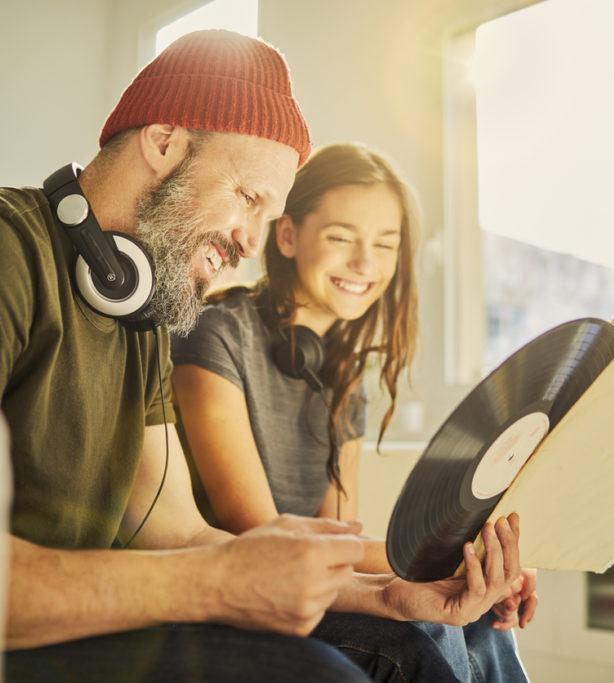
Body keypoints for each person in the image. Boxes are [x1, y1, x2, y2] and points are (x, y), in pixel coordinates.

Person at [0, 30, 524, 682]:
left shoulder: (142, 313)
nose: (250, 241)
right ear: (163, 140)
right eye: (247, 197)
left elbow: (176, 531)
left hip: (57, 635)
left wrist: (391, 593)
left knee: (410, 641)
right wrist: (219, 583)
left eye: (266, 216)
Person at [171, 142, 537, 682]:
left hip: (302, 584)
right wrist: (451, 568)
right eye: (342, 238)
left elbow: (336, 535)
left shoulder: (343, 374)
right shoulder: (217, 336)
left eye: (385, 245)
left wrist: (474, 572)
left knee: (477, 622)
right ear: (288, 235)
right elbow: (260, 534)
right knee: (421, 632)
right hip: (235, 594)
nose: (366, 264)